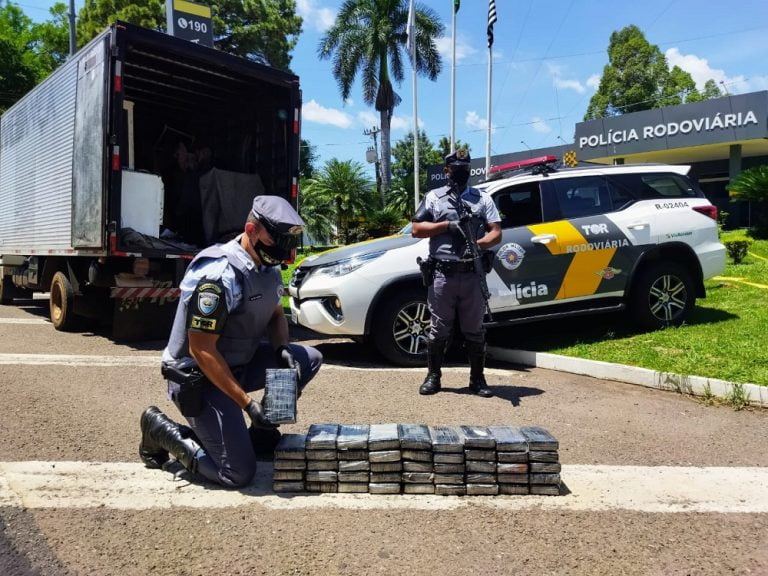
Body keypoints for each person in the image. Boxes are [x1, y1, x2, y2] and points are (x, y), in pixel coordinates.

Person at [139, 195, 323, 488]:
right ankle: (160, 430)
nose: (284, 253)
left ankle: (260, 434)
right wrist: (248, 404)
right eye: (277, 243)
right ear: (251, 230)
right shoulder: (218, 276)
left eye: (288, 246)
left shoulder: (266, 265)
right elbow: (201, 349)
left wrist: (282, 349)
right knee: (236, 473)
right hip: (197, 378)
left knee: (307, 359)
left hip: (237, 363)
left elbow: (276, 315)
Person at [411, 149, 501, 397]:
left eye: (465, 168)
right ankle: (433, 377)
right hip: (443, 275)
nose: (461, 172)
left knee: (474, 329)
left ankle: (477, 380)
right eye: (456, 168)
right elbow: (417, 228)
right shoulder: (434, 198)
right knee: (438, 329)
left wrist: (477, 244)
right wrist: (447, 226)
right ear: (446, 171)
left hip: (472, 274)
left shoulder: (482, 199)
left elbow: (496, 232)